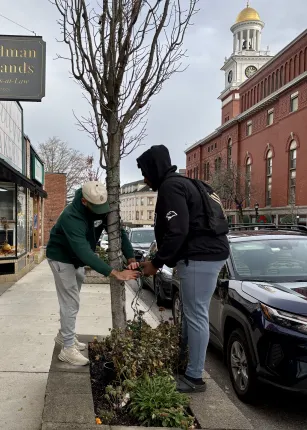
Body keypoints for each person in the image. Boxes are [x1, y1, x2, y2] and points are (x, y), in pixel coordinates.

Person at [137, 145, 229, 393]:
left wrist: (156, 263)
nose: (145, 179)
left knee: (196, 314)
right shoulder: (189, 184)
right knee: (191, 313)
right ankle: (186, 362)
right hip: (209, 254)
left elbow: (178, 230)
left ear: (155, 169)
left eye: (146, 172)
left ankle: (194, 377)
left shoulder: (170, 187)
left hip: (199, 256)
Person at [46, 181, 139, 366]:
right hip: (61, 258)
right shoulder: (71, 216)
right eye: (96, 208)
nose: (101, 211)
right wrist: (114, 272)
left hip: (76, 260)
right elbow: (84, 251)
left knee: (71, 301)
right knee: (70, 302)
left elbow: (118, 232)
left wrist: (130, 257)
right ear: (84, 202)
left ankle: (65, 337)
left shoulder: (101, 206)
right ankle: (67, 349)